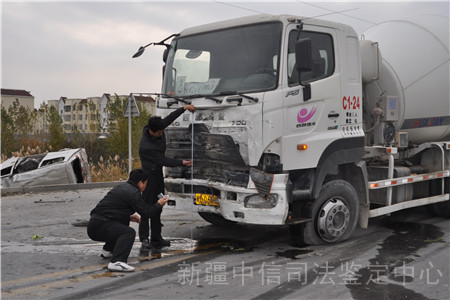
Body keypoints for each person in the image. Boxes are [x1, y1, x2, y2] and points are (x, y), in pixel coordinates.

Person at [87, 169, 169, 272]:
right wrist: (159, 204)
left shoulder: (122, 187)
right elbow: (147, 213)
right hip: (99, 227)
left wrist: (128, 217)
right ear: (140, 183)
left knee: (123, 222)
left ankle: (108, 250)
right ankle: (117, 261)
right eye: (146, 183)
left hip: (95, 224)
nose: (146, 186)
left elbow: (107, 210)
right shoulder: (133, 192)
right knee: (129, 233)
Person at [139, 104, 196, 250]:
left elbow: (170, 118)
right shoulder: (146, 147)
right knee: (147, 208)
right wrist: (182, 162)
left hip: (158, 176)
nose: (162, 134)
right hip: (148, 178)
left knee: (159, 205)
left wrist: (184, 108)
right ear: (151, 132)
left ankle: (157, 238)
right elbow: (163, 161)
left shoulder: (157, 126)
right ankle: (144, 238)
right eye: (159, 133)